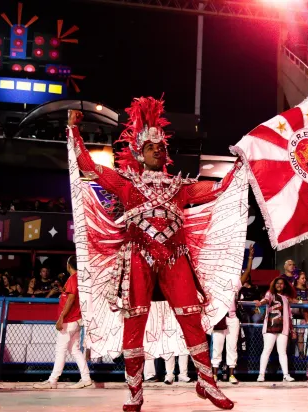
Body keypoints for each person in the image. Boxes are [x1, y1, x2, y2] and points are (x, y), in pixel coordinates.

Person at [65, 101, 235, 411]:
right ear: (140, 151)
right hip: (137, 258)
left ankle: (207, 382)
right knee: (135, 323)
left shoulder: (178, 187)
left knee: (191, 318)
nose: (158, 150)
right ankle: (134, 392)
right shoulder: (126, 184)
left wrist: (241, 167)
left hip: (175, 256)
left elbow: (217, 189)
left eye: (161, 146)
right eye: (151, 146)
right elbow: (87, 167)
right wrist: (74, 129)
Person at [34, 257, 92, 389]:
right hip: (75, 319)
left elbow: (71, 299)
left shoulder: (73, 278)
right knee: (75, 350)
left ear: (69, 265)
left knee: (61, 350)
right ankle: (86, 378)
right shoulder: (79, 279)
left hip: (69, 320)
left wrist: (61, 318)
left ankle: (52, 380)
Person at [211, 247, 253, 385]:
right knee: (217, 346)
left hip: (233, 318)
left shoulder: (235, 283)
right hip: (219, 318)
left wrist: (250, 258)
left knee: (232, 347)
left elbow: (247, 273)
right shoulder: (214, 285)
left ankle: (231, 375)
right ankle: (214, 375)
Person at [254, 277, 295, 383]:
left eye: (281, 284)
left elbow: (289, 315)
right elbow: (266, 300)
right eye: (277, 283)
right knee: (267, 350)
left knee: (282, 352)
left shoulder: (286, 298)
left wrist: (292, 329)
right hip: (270, 327)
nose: (279, 285)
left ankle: (286, 375)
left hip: (283, 328)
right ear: (274, 284)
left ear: (284, 285)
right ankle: (261, 374)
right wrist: (260, 303)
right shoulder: (270, 293)